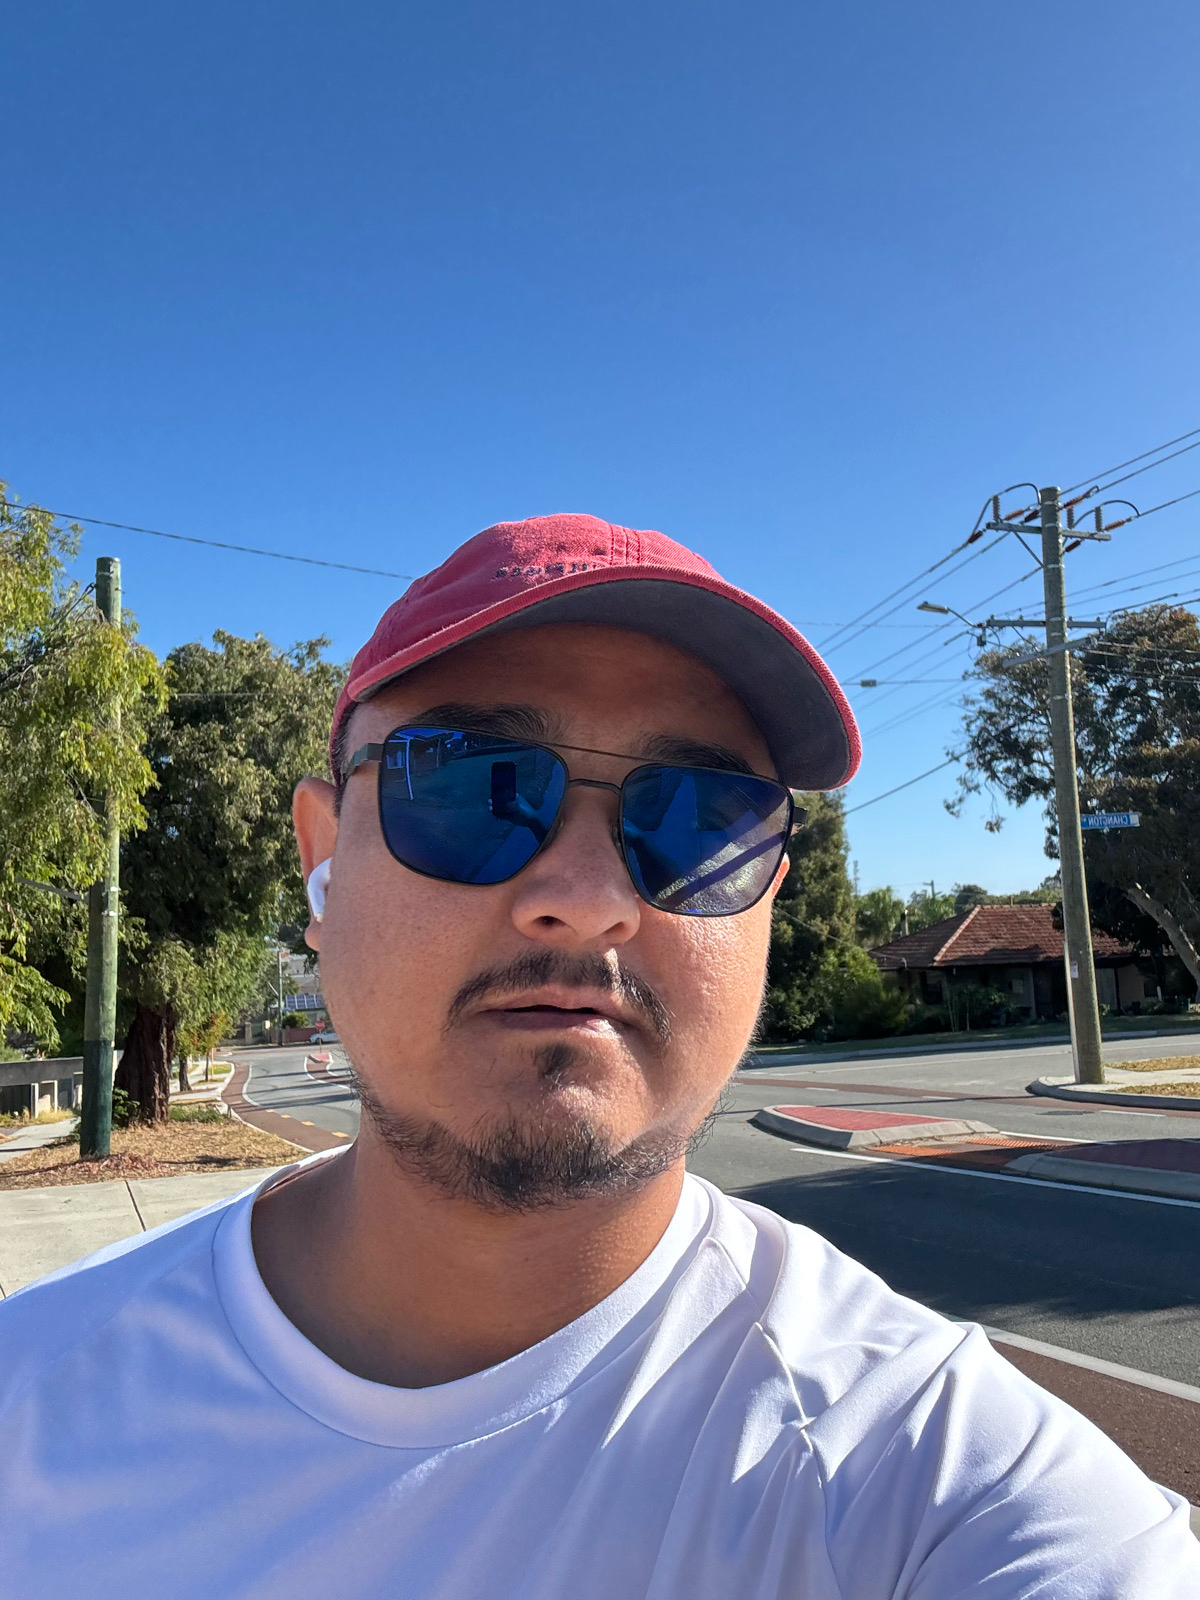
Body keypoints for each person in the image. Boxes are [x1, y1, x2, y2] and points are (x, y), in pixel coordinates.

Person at [0, 514, 1195, 1598]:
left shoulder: (928, 1476)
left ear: (770, 897)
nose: (587, 898)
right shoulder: (33, 1397)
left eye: (701, 820)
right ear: (323, 859)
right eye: (469, 788)